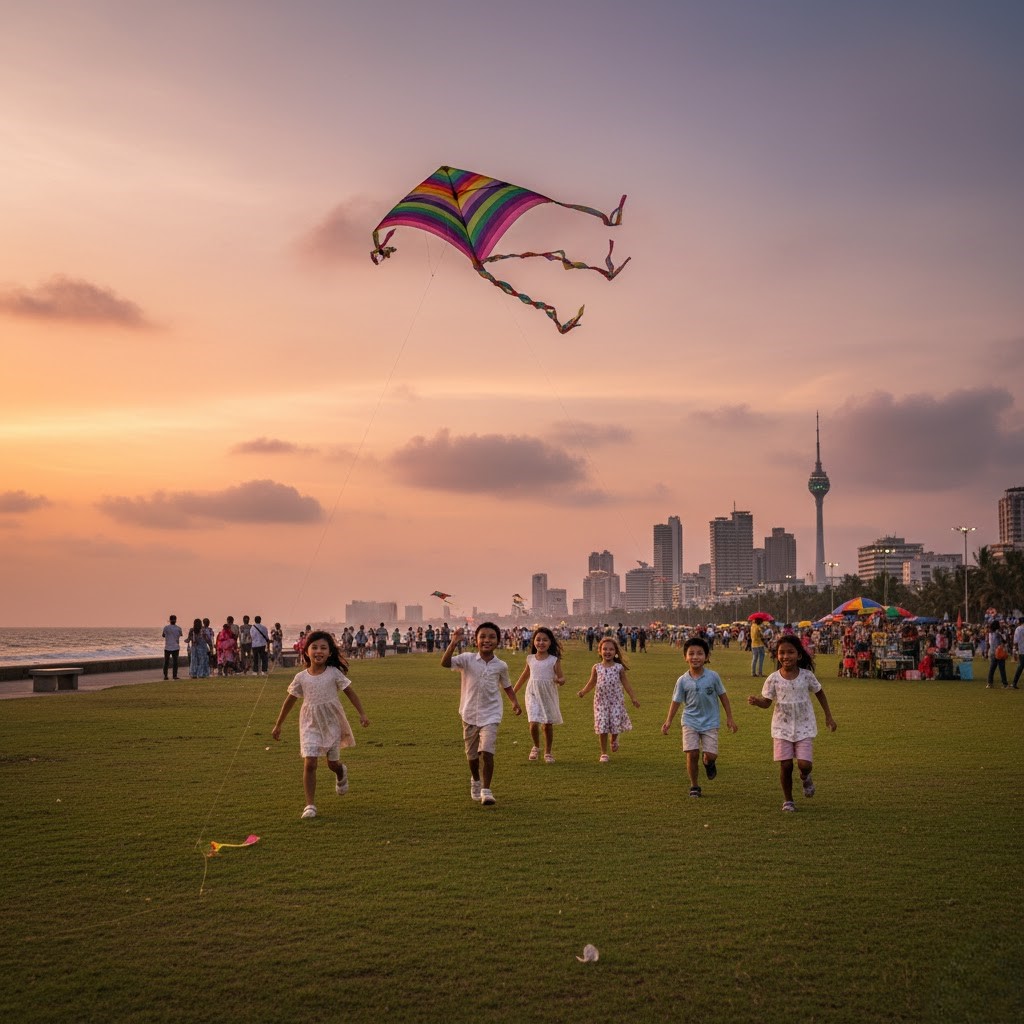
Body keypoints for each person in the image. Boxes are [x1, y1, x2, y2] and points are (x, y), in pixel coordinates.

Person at [271, 630, 370, 820]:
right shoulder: (301, 677)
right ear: (306, 651)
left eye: (323, 648)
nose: (319, 651)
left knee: (332, 763)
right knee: (310, 762)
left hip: (331, 721)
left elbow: (350, 692)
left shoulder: (334, 673)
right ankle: (310, 805)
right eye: (314, 647)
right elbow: (290, 700)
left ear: (330, 652)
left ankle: (341, 771)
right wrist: (278, 724)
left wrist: (362, 714)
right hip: (310, 723)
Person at [747, 634, 837, 812]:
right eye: (781, 652)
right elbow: (767, 702)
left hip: (804, 725)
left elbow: (819, 692)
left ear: (799, 655)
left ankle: (805, 777)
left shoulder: (806, 676)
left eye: (790, 652)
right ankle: (788, 800)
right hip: (782, 727)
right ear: (776, 655)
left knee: (805, 764)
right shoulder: (773, 678)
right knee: (786, 765)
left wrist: (828, 716)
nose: (786, 656)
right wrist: (758, 702)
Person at [441, 622, 522, 807]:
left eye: (492, 637)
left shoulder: (501, 665)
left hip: (491, 713)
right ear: (476, 640)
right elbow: (445, 663)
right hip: (469, 713)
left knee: (487, 752)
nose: (487, 640)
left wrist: (515, 702)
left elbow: (507, 685)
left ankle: (487, 790)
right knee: (472, 756)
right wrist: (453, 643)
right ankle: (475, 780)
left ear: (498, 641)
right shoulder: (467, 659)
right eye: (483, 637)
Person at [661, 636, 737, 798]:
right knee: (692, 753)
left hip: (711, 721)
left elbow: (723, 697)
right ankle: (694, 785)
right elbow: (676, 701)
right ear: (685, 657)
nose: (695, 657)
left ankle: (708, 762)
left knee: (711, 755)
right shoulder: (682, 681)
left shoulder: (713, 677)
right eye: (691, 653)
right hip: (690, 721)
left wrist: (730, 718)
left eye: (700, 653)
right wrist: (668, 721)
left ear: (707, 657)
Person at [578, 637, 640, 763]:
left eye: (611, 649)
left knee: (615, 725)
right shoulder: (596, 667)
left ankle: (614, 739)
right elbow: (592, 682)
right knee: (602, 727)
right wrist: (583, 691)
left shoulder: (619, 668)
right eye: (605, 649)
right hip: (600, 702)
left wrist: (633, 698)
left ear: (616, 652)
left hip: (616, 701)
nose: (608, 651)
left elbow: (626, 684)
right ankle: (604, 753)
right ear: (599, 651)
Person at [512, 627, 565, 763]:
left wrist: (558, 680)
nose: (541, 643)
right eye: (538, 640)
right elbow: (525, 675)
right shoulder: (530, 659)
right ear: (534, 641)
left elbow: (562, 678)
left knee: (547, 724)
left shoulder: (554, 660)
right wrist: (513, 691)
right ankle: (536, 746)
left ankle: (548, 752)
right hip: (532, 693)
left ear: (550, 642)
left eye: (545, 640)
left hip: (547, 694)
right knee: (533, 722)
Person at [987, 621, 1009, 688]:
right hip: (999, 653)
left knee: (992, 669)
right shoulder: (998, 633)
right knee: (1002, 669)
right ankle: (1005, 684)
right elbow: (1004, 641)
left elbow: (990, 643)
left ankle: (990, 683)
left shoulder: (990, 633)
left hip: (993, 652)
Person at [161, 614, 183, 680]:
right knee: (175, 662)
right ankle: (174, 676)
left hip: (167, 647)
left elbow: (163, 635)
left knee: (166, 662)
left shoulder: (166, 628)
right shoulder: (178, 628)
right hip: (175, 647)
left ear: (169, 620)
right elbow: (180, 635)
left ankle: (165, 676)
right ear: (175, 620)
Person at [1012, 620, 1024, 689]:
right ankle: (1014, 683)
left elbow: (1015, 641)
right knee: (1021, 666)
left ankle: (1014, 683)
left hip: (1021, 650)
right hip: (1022, 650)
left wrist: (1014, 651)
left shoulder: (1018, 629)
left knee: (1021, 666)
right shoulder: (1019, 629)